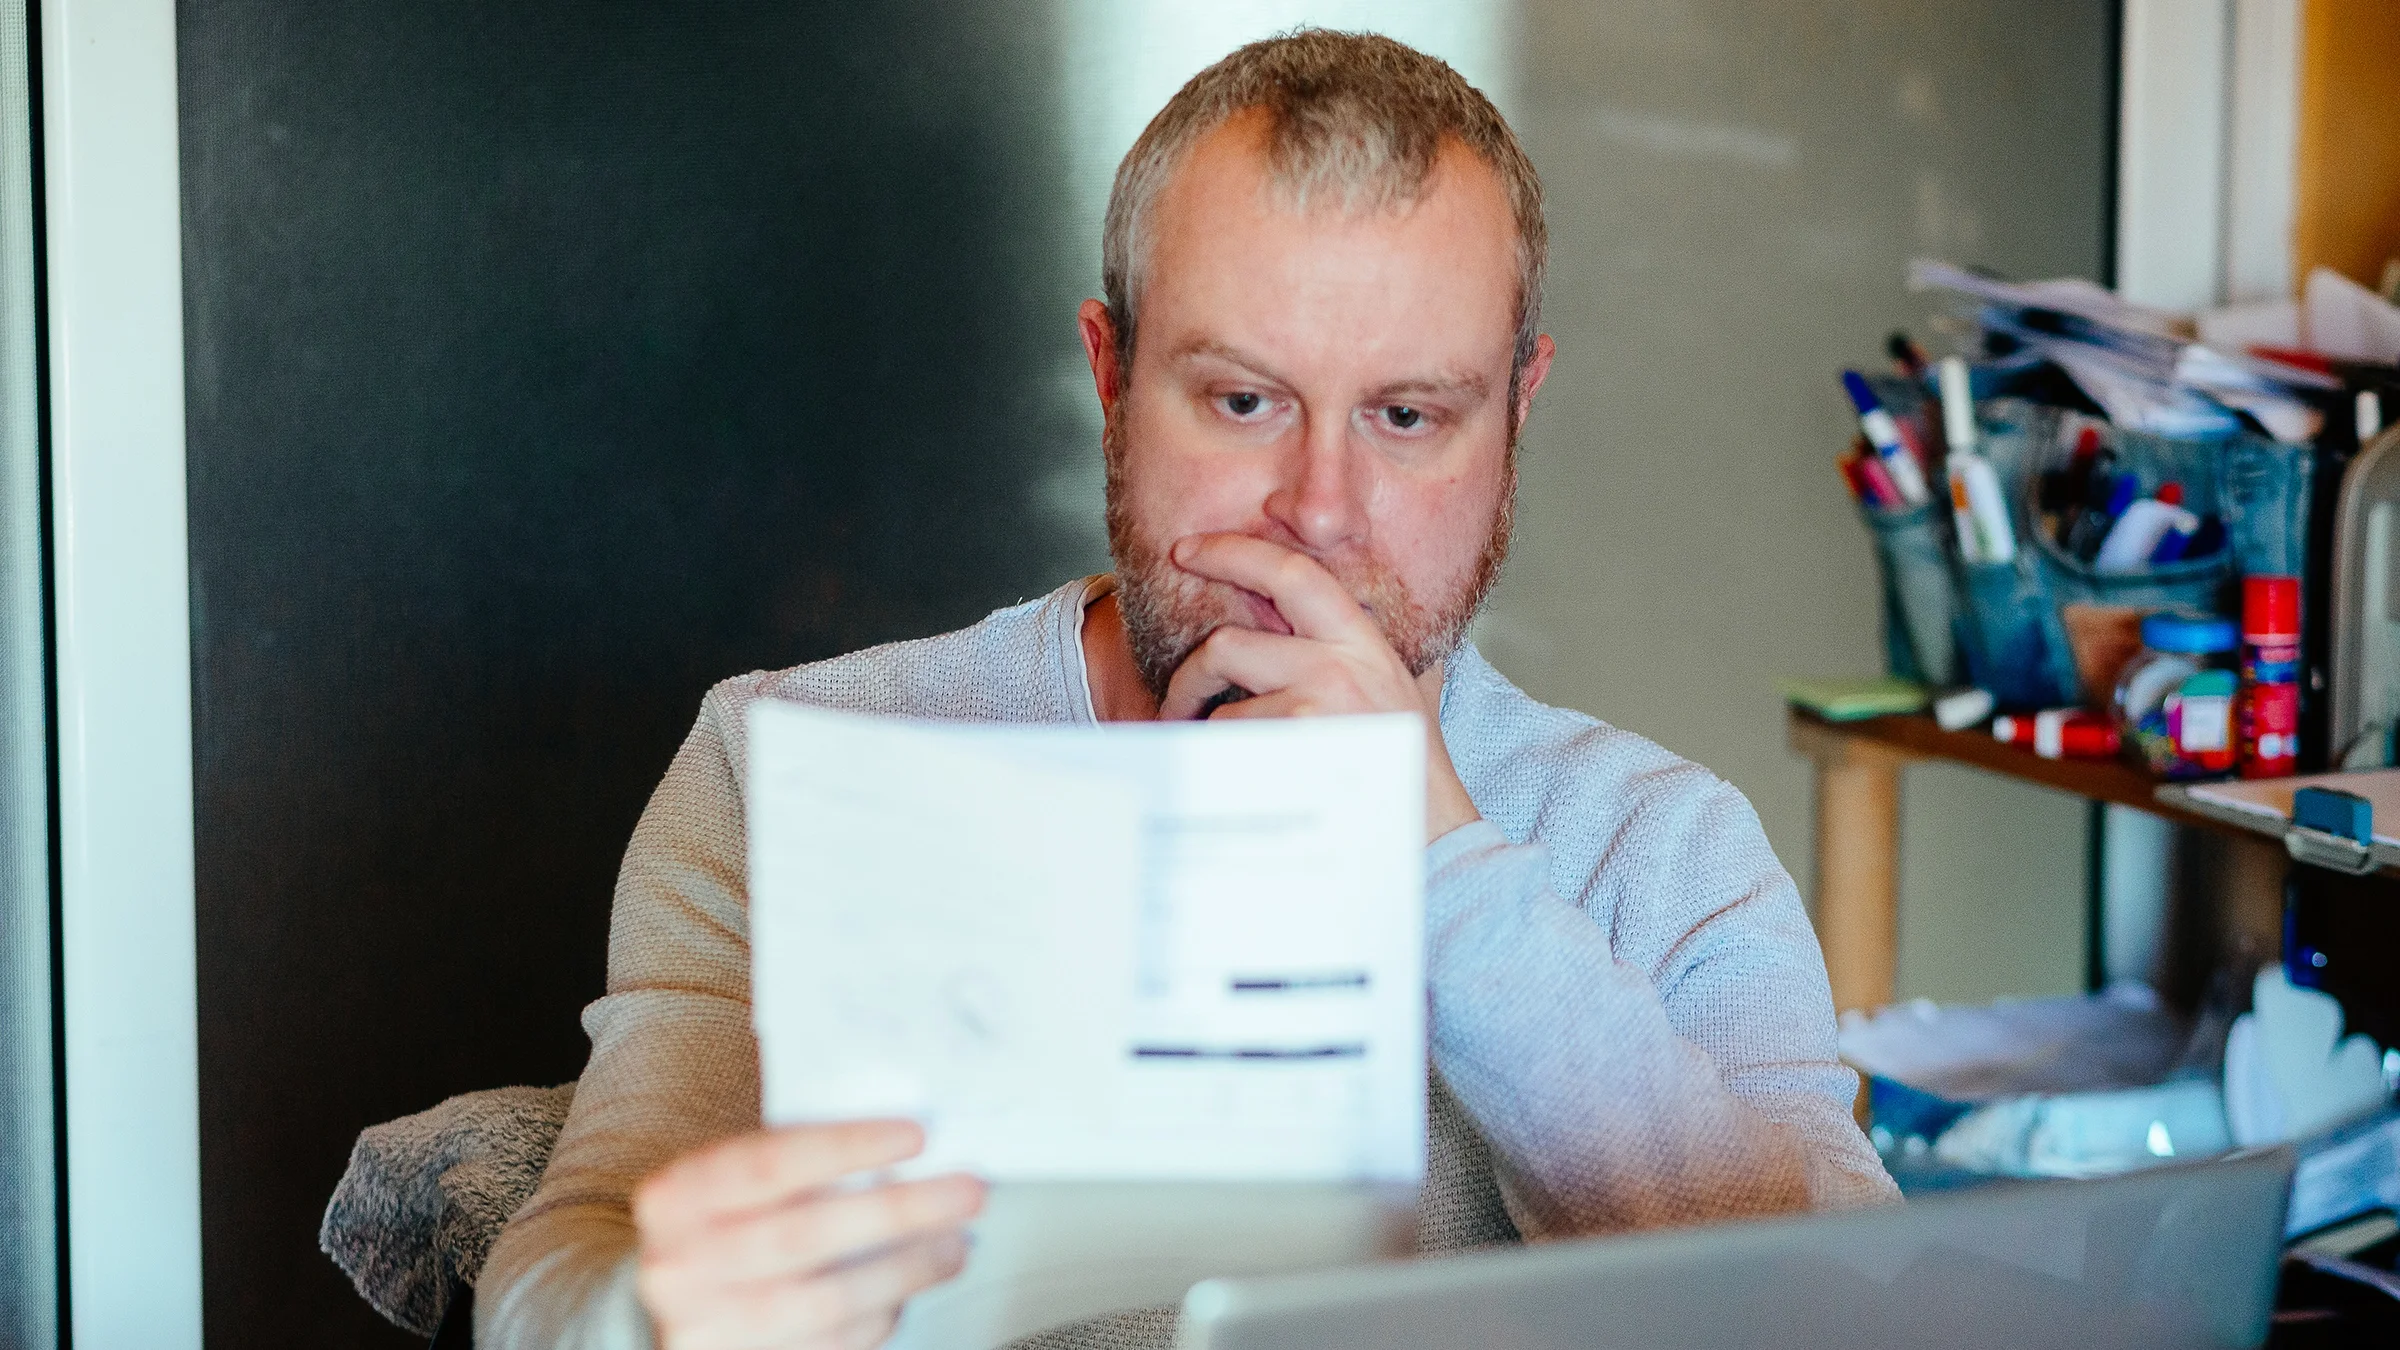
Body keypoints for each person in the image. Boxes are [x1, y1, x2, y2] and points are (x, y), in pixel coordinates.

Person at [479, 29, 1898, 1350]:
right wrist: (647, 1313)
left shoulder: (1660, 850)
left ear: (1515, 413)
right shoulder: (790, 760)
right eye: (1241, 401)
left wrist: (1449, 871)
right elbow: (561, 1267)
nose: (1319, 512)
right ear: (1111, 375)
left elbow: (1846, 1313)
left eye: (1407, 417)